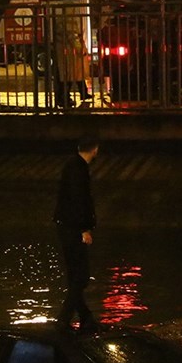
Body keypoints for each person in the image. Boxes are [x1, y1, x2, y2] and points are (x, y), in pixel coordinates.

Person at [54, 138, 101, 333]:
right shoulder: (79, 169)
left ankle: (85, 316)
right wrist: (84, 228)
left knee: (75, 276)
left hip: (66, 225)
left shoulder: (72, 165)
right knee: (81, 277)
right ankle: (64, 319)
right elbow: (79, 199)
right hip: (74, 228)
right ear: (95, 150)